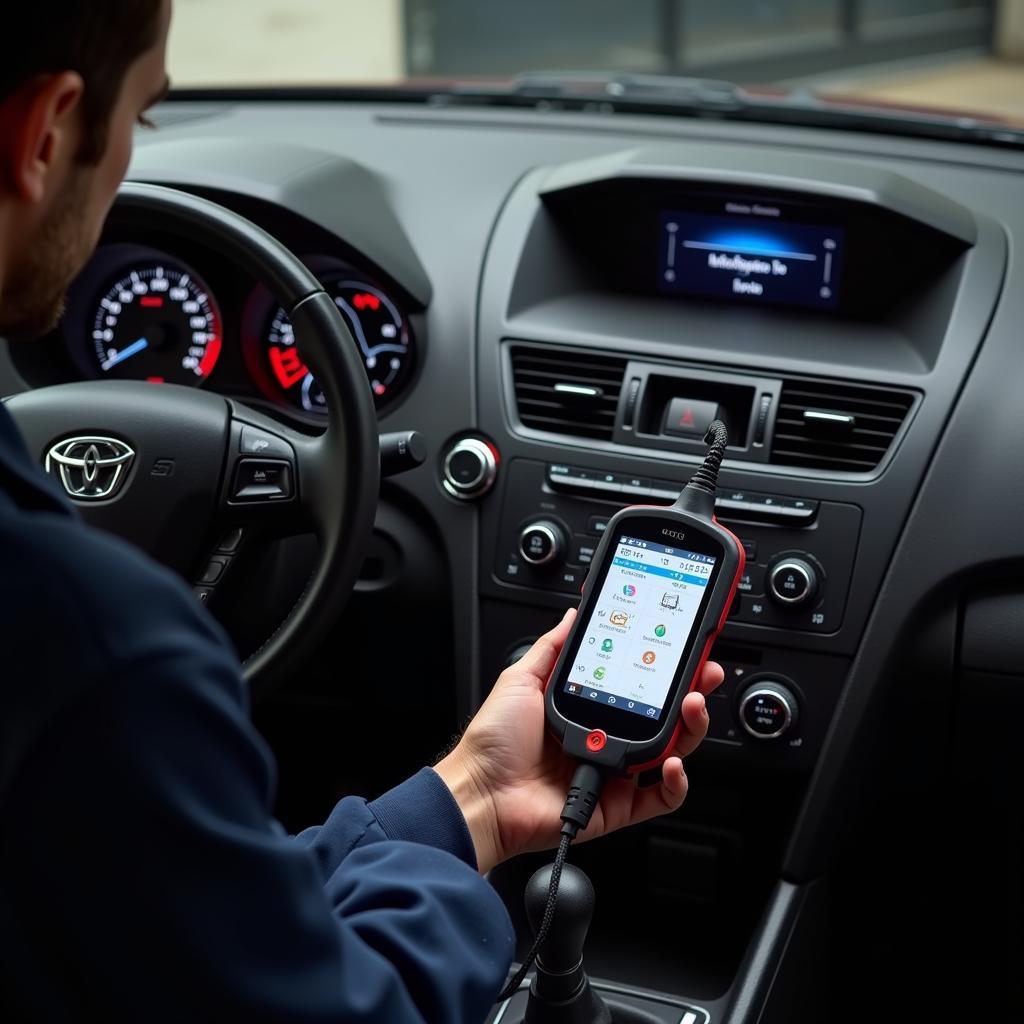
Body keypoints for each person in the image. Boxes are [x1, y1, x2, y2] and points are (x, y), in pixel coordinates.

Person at [0, 3, 724, 1020]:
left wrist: (471, 792)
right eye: (143, 119)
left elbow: (181, 914)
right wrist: (460, 892)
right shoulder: (98, 648)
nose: (129, 158)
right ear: (44, 133)